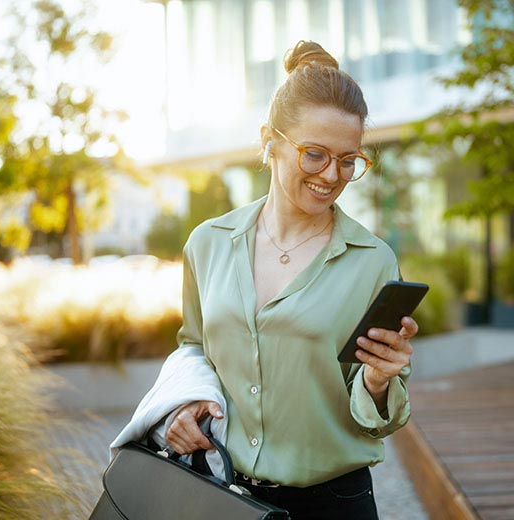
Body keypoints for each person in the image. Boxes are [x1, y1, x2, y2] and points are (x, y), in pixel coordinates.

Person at [163, 40, 418, 519]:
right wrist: (183, 405)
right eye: (315, 154)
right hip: (223, 492)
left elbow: (376, 415)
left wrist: (381, 380)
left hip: (333, 503)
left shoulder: (373, 262)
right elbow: (193, 348)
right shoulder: (207, 244)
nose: (332, 176)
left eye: (349, 160)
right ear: (270, 141)